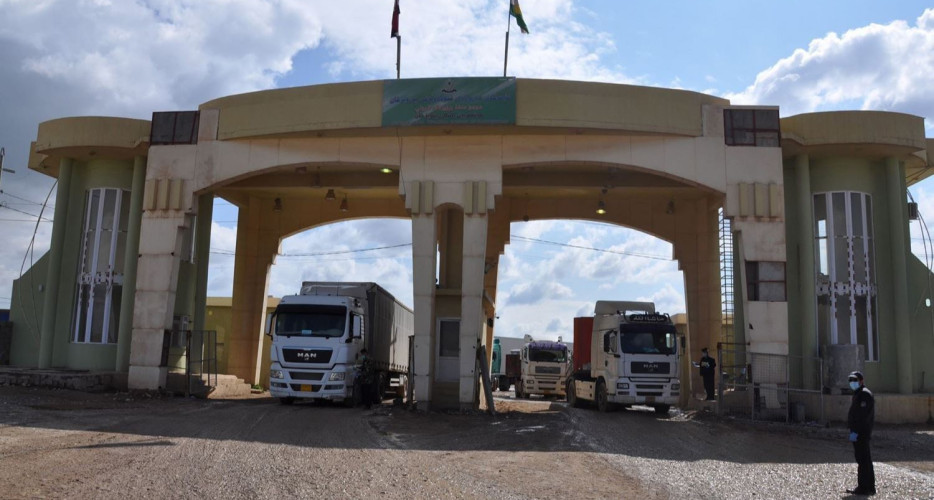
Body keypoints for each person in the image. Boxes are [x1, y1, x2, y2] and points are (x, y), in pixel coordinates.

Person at [846, 371, 876, 496]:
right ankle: (866, 486)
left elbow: (862, 416)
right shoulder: (858, 394)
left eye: (855, 380)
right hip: (858, 431)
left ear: (861, 381)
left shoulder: (864, 394)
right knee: (862, 459)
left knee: (863, 460)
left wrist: (856, 431)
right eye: (850, 380)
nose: (852, 382)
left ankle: (865, 487)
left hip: (862, 432)